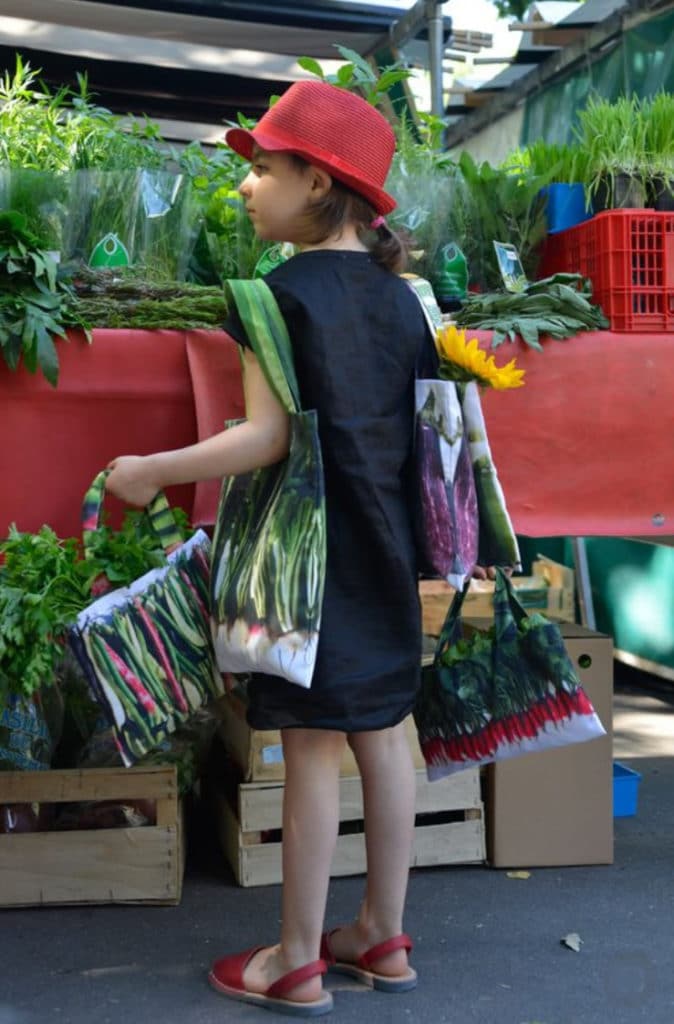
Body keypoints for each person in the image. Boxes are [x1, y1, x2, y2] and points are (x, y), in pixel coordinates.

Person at [105, 80, 432, 1017]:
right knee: (383, 733)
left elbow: (267, 437)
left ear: (318, 184)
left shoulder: (272, 295)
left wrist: (152, 469)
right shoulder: (405, 301)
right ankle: (382, 932)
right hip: (386, 548)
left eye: (262, 169)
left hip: (305, 564)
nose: (246, 186)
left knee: (315, 748)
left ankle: (295, 956)